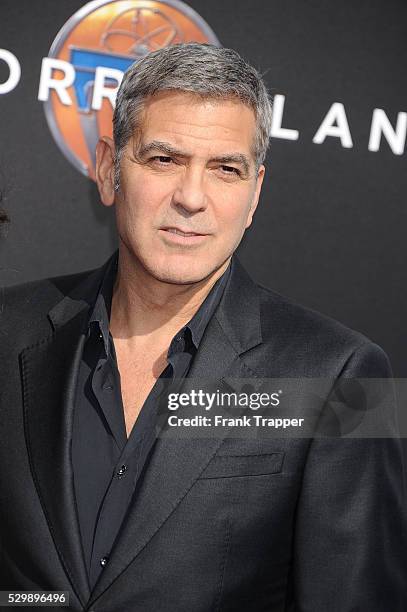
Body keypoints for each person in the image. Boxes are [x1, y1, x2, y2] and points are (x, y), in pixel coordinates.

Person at [0, 43, 405, 612]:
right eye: (164, 160)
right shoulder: (8, 330)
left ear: (255, 193)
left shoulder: (348, 373)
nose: (191, 198)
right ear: (108, 169)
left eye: (225, 169)